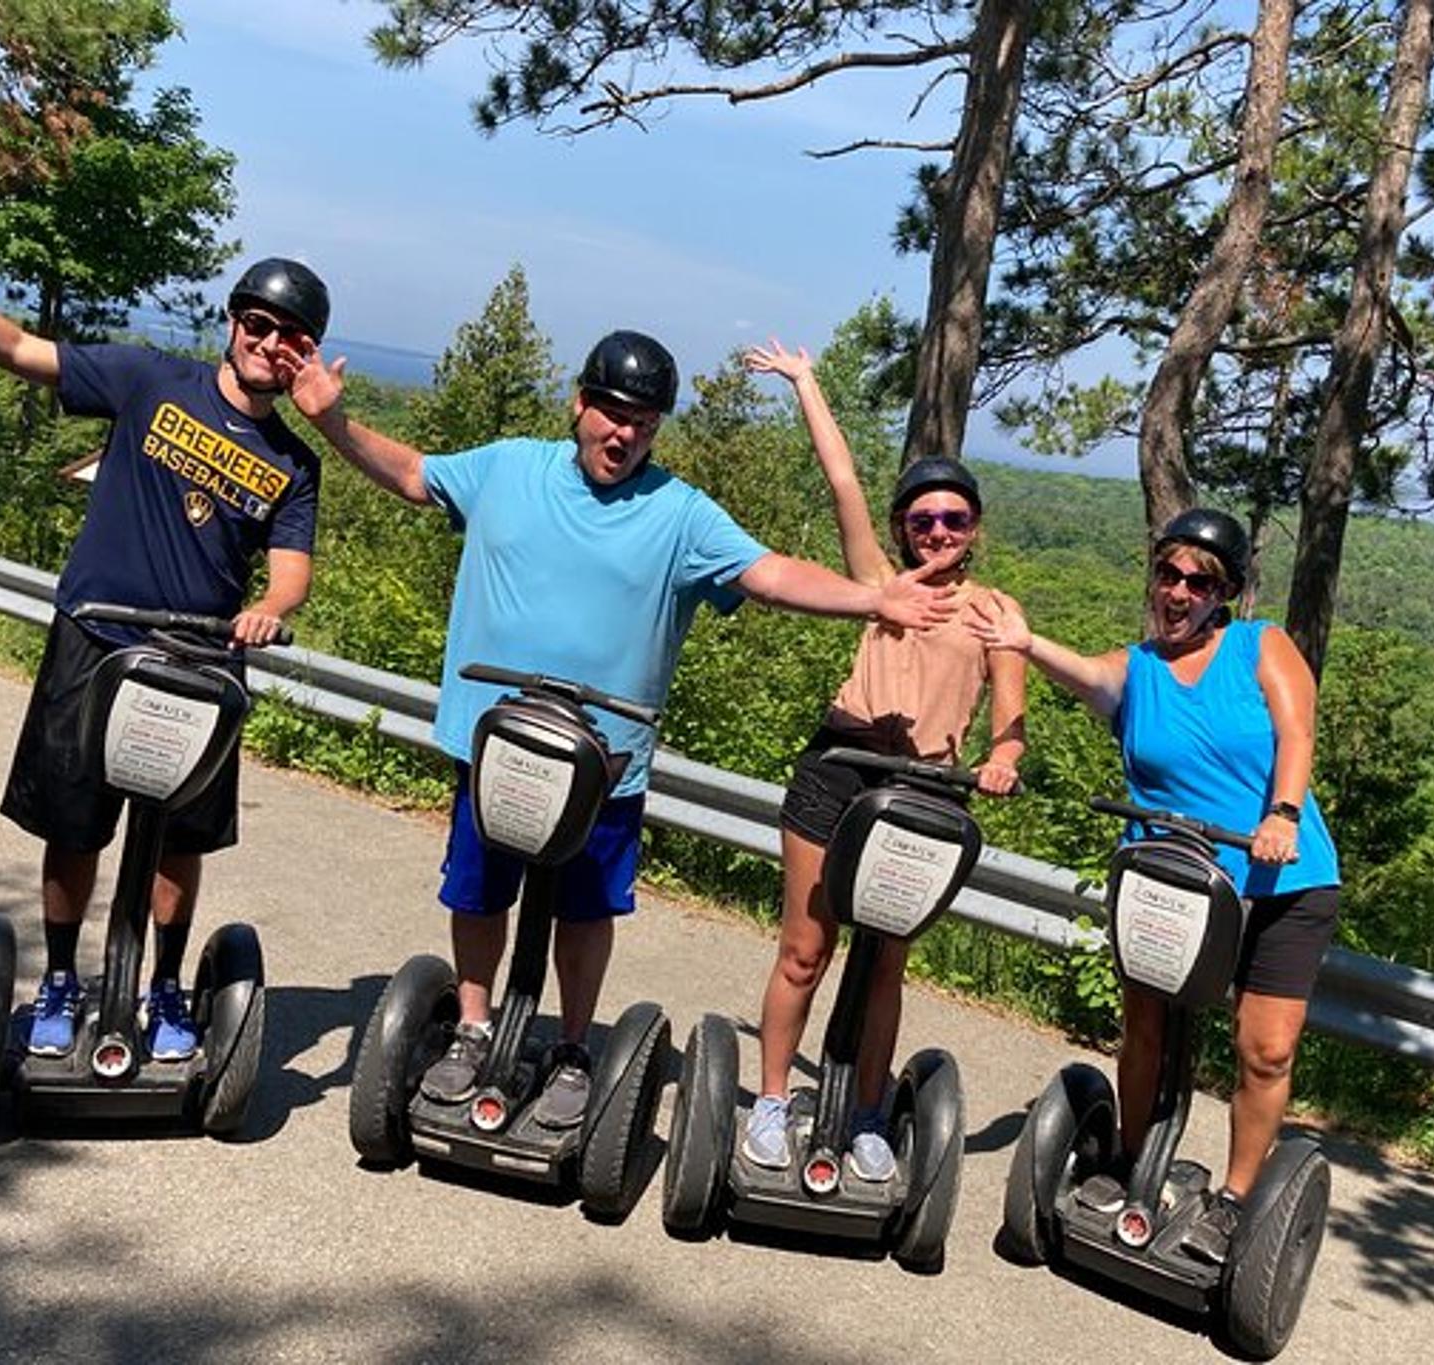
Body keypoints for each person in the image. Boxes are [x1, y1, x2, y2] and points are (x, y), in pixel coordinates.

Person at [285, 329, 959, 1130]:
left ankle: (574, 1045)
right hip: (496, 740)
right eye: (612, 413)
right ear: (580, 403)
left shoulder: (680, 512)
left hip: (606, 760)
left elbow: (770, 573)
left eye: (642, 421)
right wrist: (330, 420)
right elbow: (411, 472)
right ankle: (472, 1025)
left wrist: (873, 598)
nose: (624, 433)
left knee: (584, 910)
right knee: (480, 891)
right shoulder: (508, 467)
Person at [0, 201, 327, 1062]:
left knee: (179, 837)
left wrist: (270, 610)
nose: (269, 343)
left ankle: (165, 987)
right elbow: (19, 349)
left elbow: (292, 570)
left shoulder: (294, 461)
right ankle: (61, 978)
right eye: (257, 324)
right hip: (96, 639)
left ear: (307, 354)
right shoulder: (147, 378)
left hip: (204, 659)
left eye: (291, 336)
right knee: (74, 824)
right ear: (232, 324)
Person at [967, 508, 1340, 1262]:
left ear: (1223, 594)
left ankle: (1234, 1200)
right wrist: (1026, 643)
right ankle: (1130, 1159)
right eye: (1168, 575)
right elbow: (1088, 674)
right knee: (1146, 1029)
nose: (1178, 592)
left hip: (1279, 879)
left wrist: (1282, 813)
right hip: (1175, 879)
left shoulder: (1259, 645)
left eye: (1198, 583)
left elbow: (1297, 732)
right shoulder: (1137, 669)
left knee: (1264, 1049)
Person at [738, 341, 1025, 1182]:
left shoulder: (995, 611)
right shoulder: (881, 582)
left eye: (954, 520)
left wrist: (1003, 759)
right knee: (806, 948)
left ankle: (867, 1111)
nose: (937, 531)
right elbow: (843, 483)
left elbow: (1011, 721)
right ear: (905, 529)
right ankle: (769, 1101)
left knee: (885, 961)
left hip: (928, 790)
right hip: (840, 769)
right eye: (922, 520)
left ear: (974, 529)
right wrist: (806, 382)